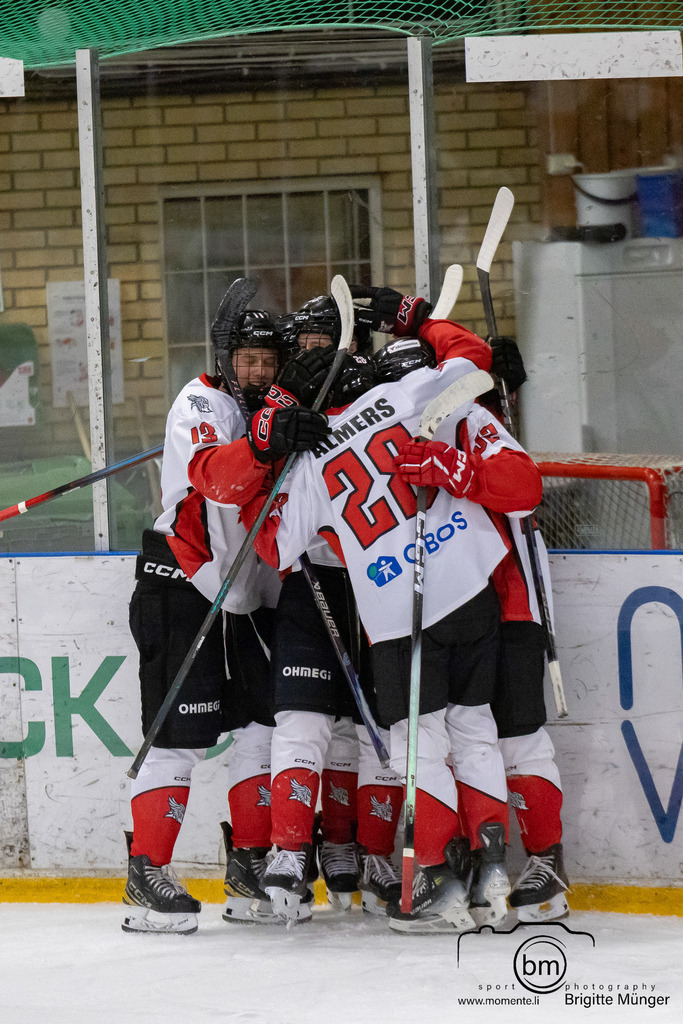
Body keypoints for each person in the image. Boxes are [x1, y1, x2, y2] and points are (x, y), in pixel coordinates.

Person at [241, 309, 543, 933]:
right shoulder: (409, 393)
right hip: (470, 585)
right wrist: (416, 313)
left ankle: (436, 884)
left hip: (401, 612)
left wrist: (276, 442)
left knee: (419, 745)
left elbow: (272, 549)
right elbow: (472, 359)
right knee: (475, 728)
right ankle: (490, 879)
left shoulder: (313, 458)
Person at [122, 307, 330, 934]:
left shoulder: (270, 402)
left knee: (261, 726)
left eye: (269, 362)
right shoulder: (200, 404)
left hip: (249, 591)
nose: (256, 372)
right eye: (246, 360)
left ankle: (247, 863)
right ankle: (145, 874)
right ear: (223, 357)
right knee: (178, 737)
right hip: (185, 583)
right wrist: (270, 437)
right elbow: (222, 482)